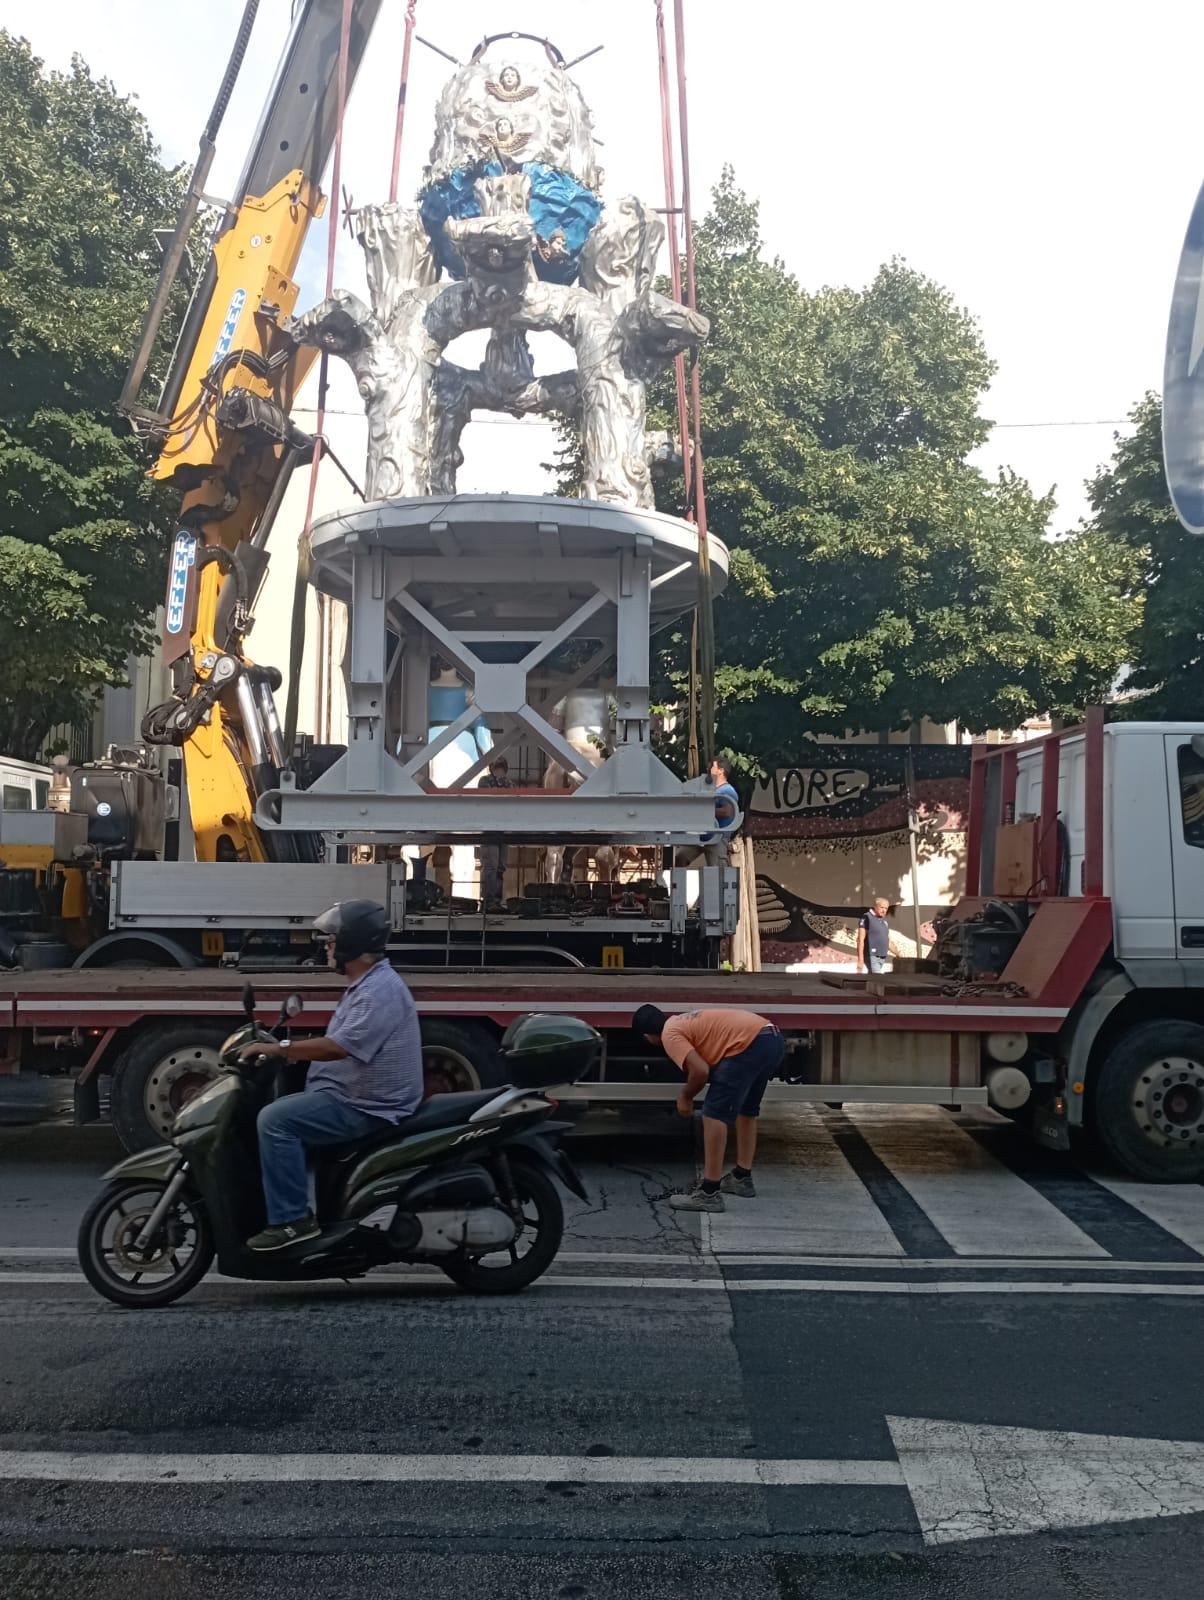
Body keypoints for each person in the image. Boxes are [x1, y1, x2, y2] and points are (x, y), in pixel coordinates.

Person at [239, 899, 424, 1251]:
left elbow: (338, 1048)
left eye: (332, 940)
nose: (327, 946)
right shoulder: (369, 985)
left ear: (352, 944)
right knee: (284, 1109)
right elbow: (338, 1043)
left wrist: (281, 1050)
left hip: (369, 1107)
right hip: (353, 1098)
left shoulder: (378, 992)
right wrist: (285, 1049)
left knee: (276, 1121)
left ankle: (292, 1221)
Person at [633, 1003, 786, 1213]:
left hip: (749, 1045)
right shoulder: (681, 1020)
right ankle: (742, 1178)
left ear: (647, 1036)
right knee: (746, 1111)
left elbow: (700, 1070)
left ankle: (709, 1193)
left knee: (713, 1114)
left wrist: (685, 1097)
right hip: (771, 1038)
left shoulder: (670, 1034)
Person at [478, 755, 513, 908]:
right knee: (490, 866)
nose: (500, 772)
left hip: (503, 831)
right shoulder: (485, 781)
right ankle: (488, 899)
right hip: (489, 830)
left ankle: (496, 899)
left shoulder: (509, 783)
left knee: (500, 866)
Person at [857, 895, 892, 975]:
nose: (884, 910)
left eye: (886, 908)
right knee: (877, 978)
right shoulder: (866, 917)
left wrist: (898, 954)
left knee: (873, 979)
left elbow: (888, 941)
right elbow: (860, 940)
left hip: (882, 956)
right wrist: (860, 960)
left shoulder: (884, 922)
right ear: (875, 907)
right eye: (882, 907)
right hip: (872, 955)